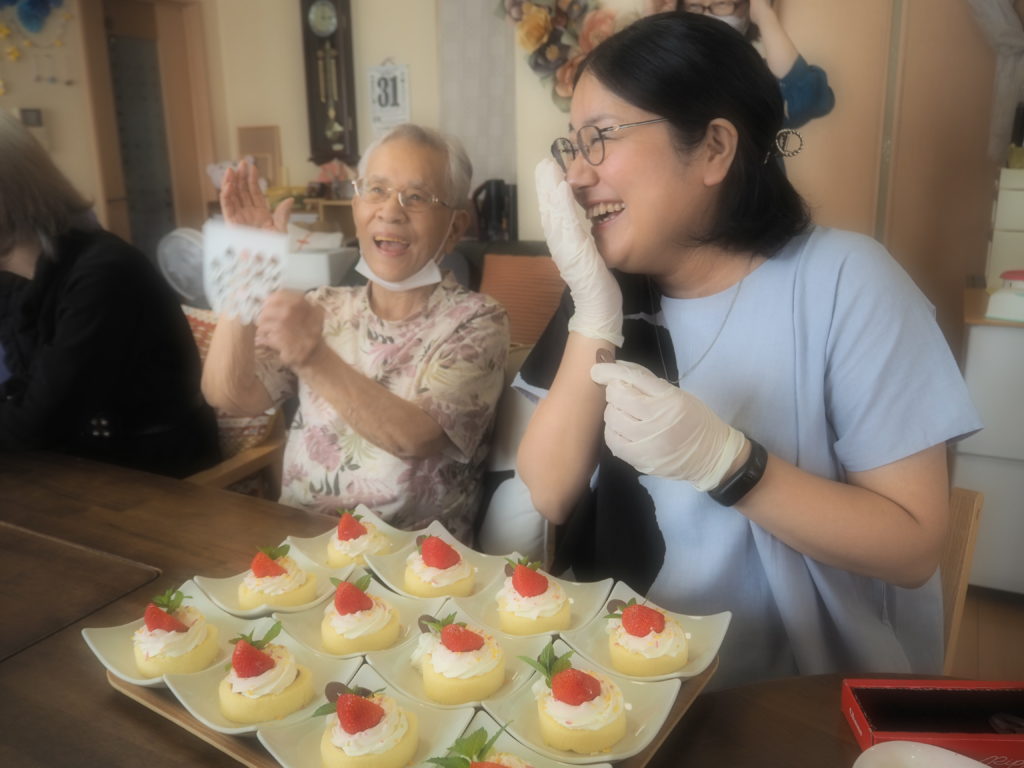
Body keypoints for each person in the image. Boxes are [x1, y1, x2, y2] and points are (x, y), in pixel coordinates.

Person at [515, 12, 979, 688]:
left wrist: (730, 465)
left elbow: (913, 547)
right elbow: (550, 493)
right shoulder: (605, 292)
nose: (577, 176)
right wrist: (593, 312)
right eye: (571, 145)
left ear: (714, 148)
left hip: (791, 699)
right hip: (620, 688)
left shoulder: (847, 284)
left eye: (602, 138)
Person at [202, 124, 510, 543]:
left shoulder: (478, 320)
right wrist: (249, 271)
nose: (391, 212)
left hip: (409, 562)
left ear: (455, 228)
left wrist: (313, 357)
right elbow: (231, 396)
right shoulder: (323, 305)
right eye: (376, 190)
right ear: (356, 208)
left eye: (416, 197)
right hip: (301, 546)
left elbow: (415, 438)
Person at [0, 109, 220, 477]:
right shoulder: (14, 280)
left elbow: (39, 421)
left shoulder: (103, 275)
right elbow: (23, 394)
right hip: (78, 456)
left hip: (154, 472)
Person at [647, 0, 834, 129]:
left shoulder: (759, 76)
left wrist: (764, 15)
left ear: (748, 7)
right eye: (694, 6)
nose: (706, 16)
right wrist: (655, 25)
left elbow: (807, 101)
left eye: (722, 3)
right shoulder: (673, 70)